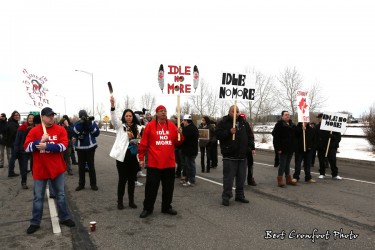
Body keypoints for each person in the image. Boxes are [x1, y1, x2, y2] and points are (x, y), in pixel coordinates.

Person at [24, 107, 75, 234]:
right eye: (48, 115)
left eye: (52, 115)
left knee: (61, 195)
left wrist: (48, 145)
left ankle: (64, 217)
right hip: (40, 170)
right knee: (38, 197)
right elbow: (26, 148)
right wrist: (39, 141)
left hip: (57, 169)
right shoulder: (35, 130)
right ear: (42, 117)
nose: (51, 117)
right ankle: (35, 222)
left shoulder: (60, 129)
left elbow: (63, 146)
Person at [137, 105, 184, 218]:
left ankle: (166, 207)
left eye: (165, 111)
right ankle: (148, 208)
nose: (164, 112)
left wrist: (180, 134)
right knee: (151, 189)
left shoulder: (172, 126)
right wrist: (141, 158)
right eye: (161, 111)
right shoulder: (150, 126)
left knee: (168, 188)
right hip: (154, 164)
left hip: (169, 163)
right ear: (156, 113)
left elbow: (178, 143)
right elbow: (143, 144)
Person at [215, 105, 252, 206]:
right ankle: (226, 196)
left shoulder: (244, 122)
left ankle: (239, 195)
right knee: (228, 179)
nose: (236, 113)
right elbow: (217, 135)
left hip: (242, 156)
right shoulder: (223, 122)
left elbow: (250, 135)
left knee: (241, 178)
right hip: (229, 156)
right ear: (229, 112)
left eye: (237, 111)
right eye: (233, 111)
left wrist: (250, 147)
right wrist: (229, 132)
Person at [109, 96, 141, 209]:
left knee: (132, 181)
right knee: (122, 180)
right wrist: (113, 106)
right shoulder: (120, 126)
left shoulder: (138, 128)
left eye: (130, 116)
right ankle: (120, 201)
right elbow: (113, 118)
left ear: (133, 117)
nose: (128, 117)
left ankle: (131, 201)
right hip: (122, 158)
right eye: (126, 116)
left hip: (133, 157)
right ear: (124, 117)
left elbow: (141, 141)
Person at [73, 110, 100, 191]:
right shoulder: (77, 123)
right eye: (81, 116)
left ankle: (93, 184)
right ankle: (81, 184)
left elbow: (97, 133)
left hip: (90, 148)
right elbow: (74, 132)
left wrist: (89, 125)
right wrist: (82, 123)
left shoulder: (91, 122)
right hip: (80, 148)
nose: (83, 118)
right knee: (81, 167)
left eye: (84, 116)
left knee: (91, 167)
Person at [271, 111, 297, 187]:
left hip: (290, 148)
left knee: (287, 164)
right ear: (282, 116)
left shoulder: (292, 124)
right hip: (282, 148)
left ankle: (288, 179)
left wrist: (303, 126)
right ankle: (280, 180)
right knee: (282, 164)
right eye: (285, 115)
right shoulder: (279, 124)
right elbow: (276, 137)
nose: (287, 116)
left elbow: (297, 132)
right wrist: (278, 148)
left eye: (288, 115)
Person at [315, 113, 342, 180]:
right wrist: (317, 145)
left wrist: (333, 137)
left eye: (321, 118)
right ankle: (322, 173)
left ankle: (335, 174)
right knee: (321, 161)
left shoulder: (332, 127)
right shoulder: (317, 127)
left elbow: (338, 137)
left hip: (331, 147)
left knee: (333, 161)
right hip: (321, 147)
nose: (319, 119)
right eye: (319, 118)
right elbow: (315, 137)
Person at [14, 113, 34, 189]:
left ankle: (38, 182)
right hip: (23, 151)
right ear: (27, 119)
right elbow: (17, 140)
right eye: (29, 118)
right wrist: (16, 152)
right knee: (24, 168)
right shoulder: (22, 128)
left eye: (32, 118)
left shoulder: (37, 128)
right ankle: (24, 182)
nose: (31, 119)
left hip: (33, 150)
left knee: (34, 168)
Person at [181, 114, 199, 186]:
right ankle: (188, 179)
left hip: (189, 151)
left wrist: (180, 132)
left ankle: (191, 180)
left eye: (184, 121)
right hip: (192, 150)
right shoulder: (194, 128)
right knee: (189, 165)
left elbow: (183, 139)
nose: (183, 122)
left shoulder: (188, 129)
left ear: (186, 121)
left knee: (190, 166)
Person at [239, 113, 256, 186]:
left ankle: (250, 179)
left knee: (250, 165)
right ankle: (240, 180)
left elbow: (251, 137)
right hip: (240, 149)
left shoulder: (247, 125)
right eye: (241, 117)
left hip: (248, 149)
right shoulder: (237, 125)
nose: (243, 119)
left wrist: (252, 148)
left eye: (244, 118)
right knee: (241, 167)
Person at [7, 111, 21, 177]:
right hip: (14, 143)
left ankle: (11, 172)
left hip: (13, 143)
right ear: (13, 116)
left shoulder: (14, 123)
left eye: (18, 115)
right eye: (15, 115)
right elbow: (14, 134)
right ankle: (11, 172)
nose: (17, 116)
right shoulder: (12, 124)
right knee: (13, 158)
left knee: (15, 157)